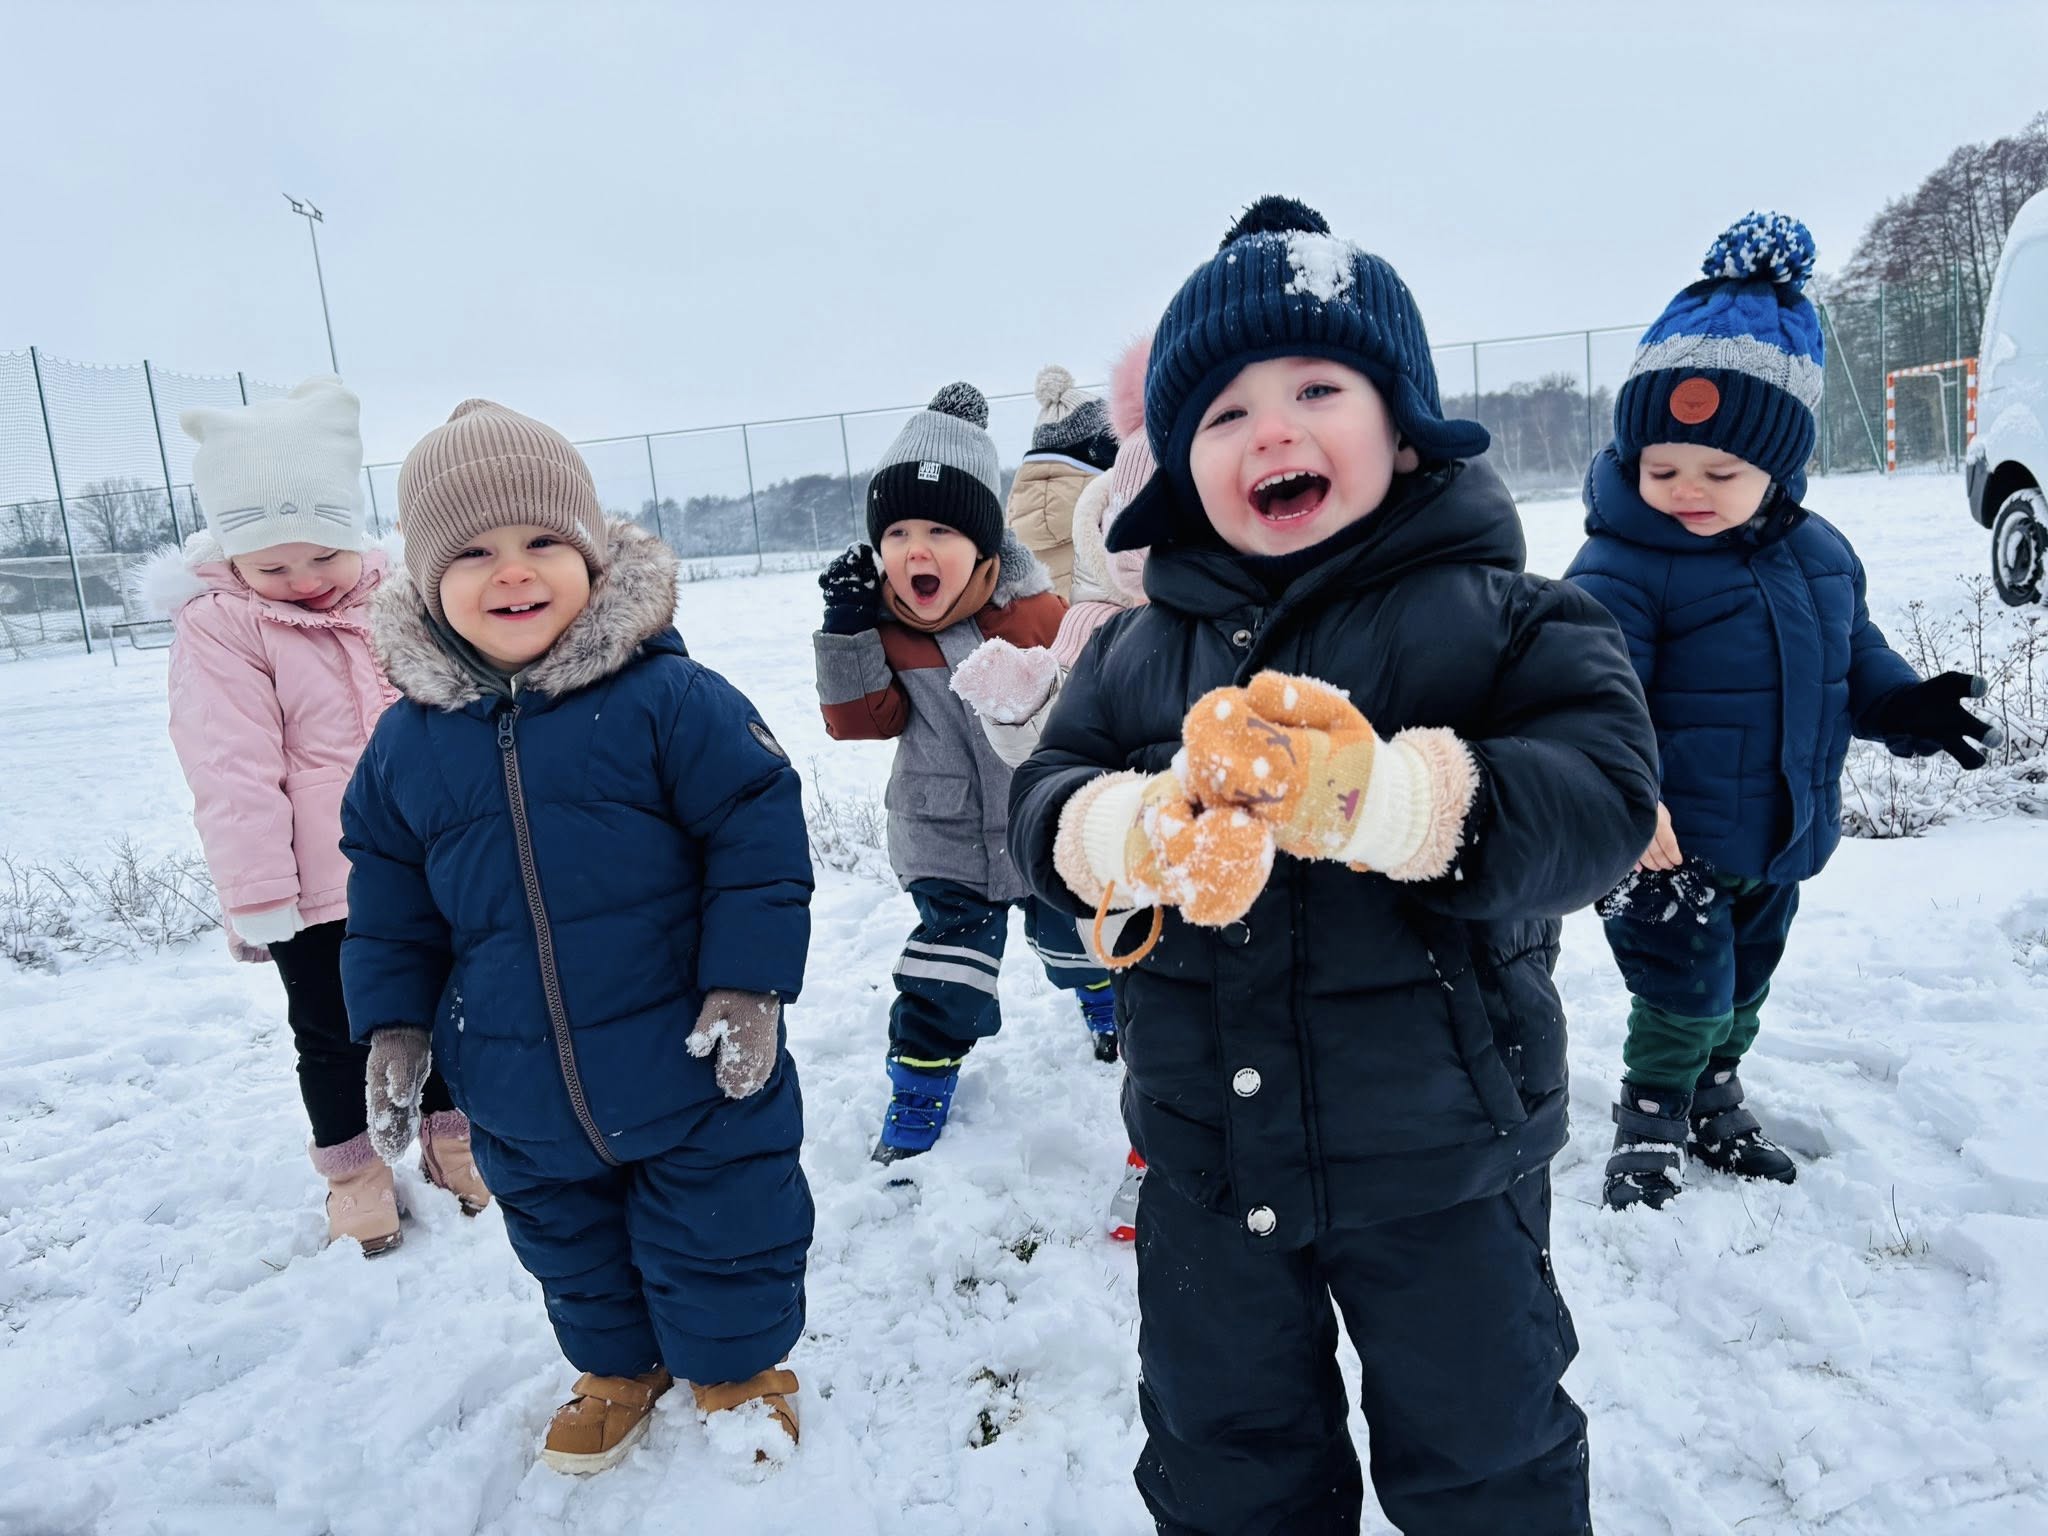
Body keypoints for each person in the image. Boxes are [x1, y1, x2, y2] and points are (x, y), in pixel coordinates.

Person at [1009, 196, 1659, 1533]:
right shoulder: (1135, 652)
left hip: (1443, 1159)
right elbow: (1044, 803)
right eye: (1225, 414)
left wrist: (1381, 795)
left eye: (1319, 386)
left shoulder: (1506, 621)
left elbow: (1599, 797)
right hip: (1207, 1158)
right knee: (1225, 1456)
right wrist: (1124, 832)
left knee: (1488, 1454)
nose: (1274, 430)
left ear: (1404, 424)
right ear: (1178, 467)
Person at [341, 399, 814, 1471]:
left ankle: (737, 1368)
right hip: (512, 1077)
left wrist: (748, 986)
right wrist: (396, 1028)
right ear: (424, 581)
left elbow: (757, 833)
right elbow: (388, 902)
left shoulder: (669, 700)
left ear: (593, 559)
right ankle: (615, 1366)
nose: (513, 572)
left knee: (724, 1219)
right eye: (473, 552)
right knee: (568, 1241)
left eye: (542, 541)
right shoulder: (405, 748)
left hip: (684, 1054)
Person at [1566, 212, 2001, 1211]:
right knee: (1682, 989)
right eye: (1661, 466)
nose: (1685, 490)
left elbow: (1852, 657)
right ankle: (1648, 1118)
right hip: (1664, 842)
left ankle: (1715, 1095)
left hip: (1774, 830)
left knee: (1746, 981)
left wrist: (1904, 705)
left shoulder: (1818, 553)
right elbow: (1593, 698)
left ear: (1778, 470)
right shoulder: (1619, 566)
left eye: (1719, 472)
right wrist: (1630, 807)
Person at [142, 376, 482, 1257]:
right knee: (335, 1033)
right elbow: (230, 769)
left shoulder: (401, 597)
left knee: (451, 1007)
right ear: (231, 555)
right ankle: (357, 1176)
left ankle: (457, 1144)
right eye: (273, 565)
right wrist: (259, 894)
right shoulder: (223, 628)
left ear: (351, 533)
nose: (301, 582)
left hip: (428, 865)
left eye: (321, 557)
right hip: (319, 887)